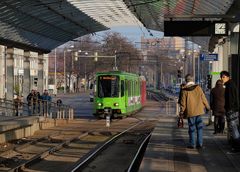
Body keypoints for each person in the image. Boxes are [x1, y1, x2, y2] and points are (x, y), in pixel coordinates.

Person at [179, 74, 210, 149]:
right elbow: (204, 98)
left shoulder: (184, 90)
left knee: (191, 128)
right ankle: (200, 144)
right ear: (192, 80)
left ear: (186, 80)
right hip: (198, 111)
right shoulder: (198, 88)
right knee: (199, 128)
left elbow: (183, 103)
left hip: (190, 112)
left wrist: (181, 112)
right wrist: (207, 107)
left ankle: (192, 144)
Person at [220, 71, 240, 153]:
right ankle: (235, 147)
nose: (222, 78)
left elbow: (232, 99)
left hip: (232, 111)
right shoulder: (230, 84)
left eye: (223, 77)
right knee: (234, 129)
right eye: (221, 77)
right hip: (233, 110)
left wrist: (229, 109)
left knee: (233, 129)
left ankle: (237, 148)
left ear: (228, 77)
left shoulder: (230, 86)